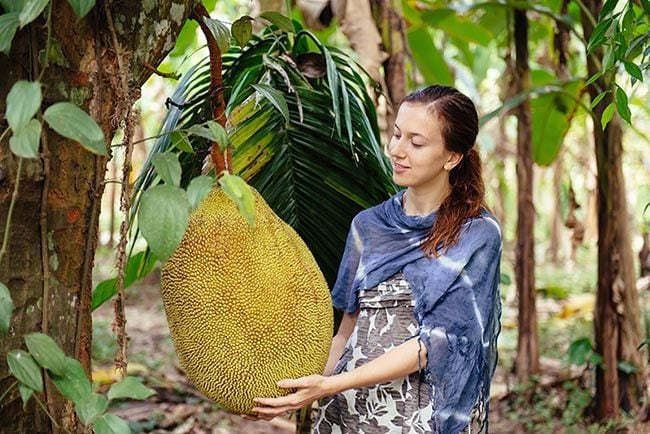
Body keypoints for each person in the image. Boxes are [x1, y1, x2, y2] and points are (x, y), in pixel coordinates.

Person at [247, 85, 502, 433]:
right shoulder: (368, 225)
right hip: (345, 411)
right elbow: (345, 334)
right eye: (397, 134)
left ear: (452, 157)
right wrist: (289, 392)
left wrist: (334, 384)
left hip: (417, 416)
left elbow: (433, 344)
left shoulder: (477, 234)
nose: (397, 150)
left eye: (416, 142)